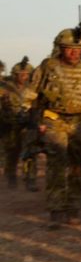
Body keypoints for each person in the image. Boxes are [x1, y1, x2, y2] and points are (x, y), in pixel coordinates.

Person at [31, 25, 81, 228]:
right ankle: (56, 210)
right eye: (69, 48)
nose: (75, 53)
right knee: (56, 163)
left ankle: (73, 208)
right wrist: (37, 122)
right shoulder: (47, 66)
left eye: (79, 49)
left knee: (78, 165)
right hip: (54, 119)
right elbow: (32, 96)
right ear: (60, 48)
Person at [1, 57, 38, 190]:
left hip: (27, 127)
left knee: (30, 153)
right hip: (9, 126)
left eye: (26, 74)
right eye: (21, 74)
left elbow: (38, 106)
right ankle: (11, 178)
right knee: (11, 153)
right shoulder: (4, 87)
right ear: (14, 75)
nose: (24, 76)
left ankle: (30, 180)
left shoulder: (34, 89)